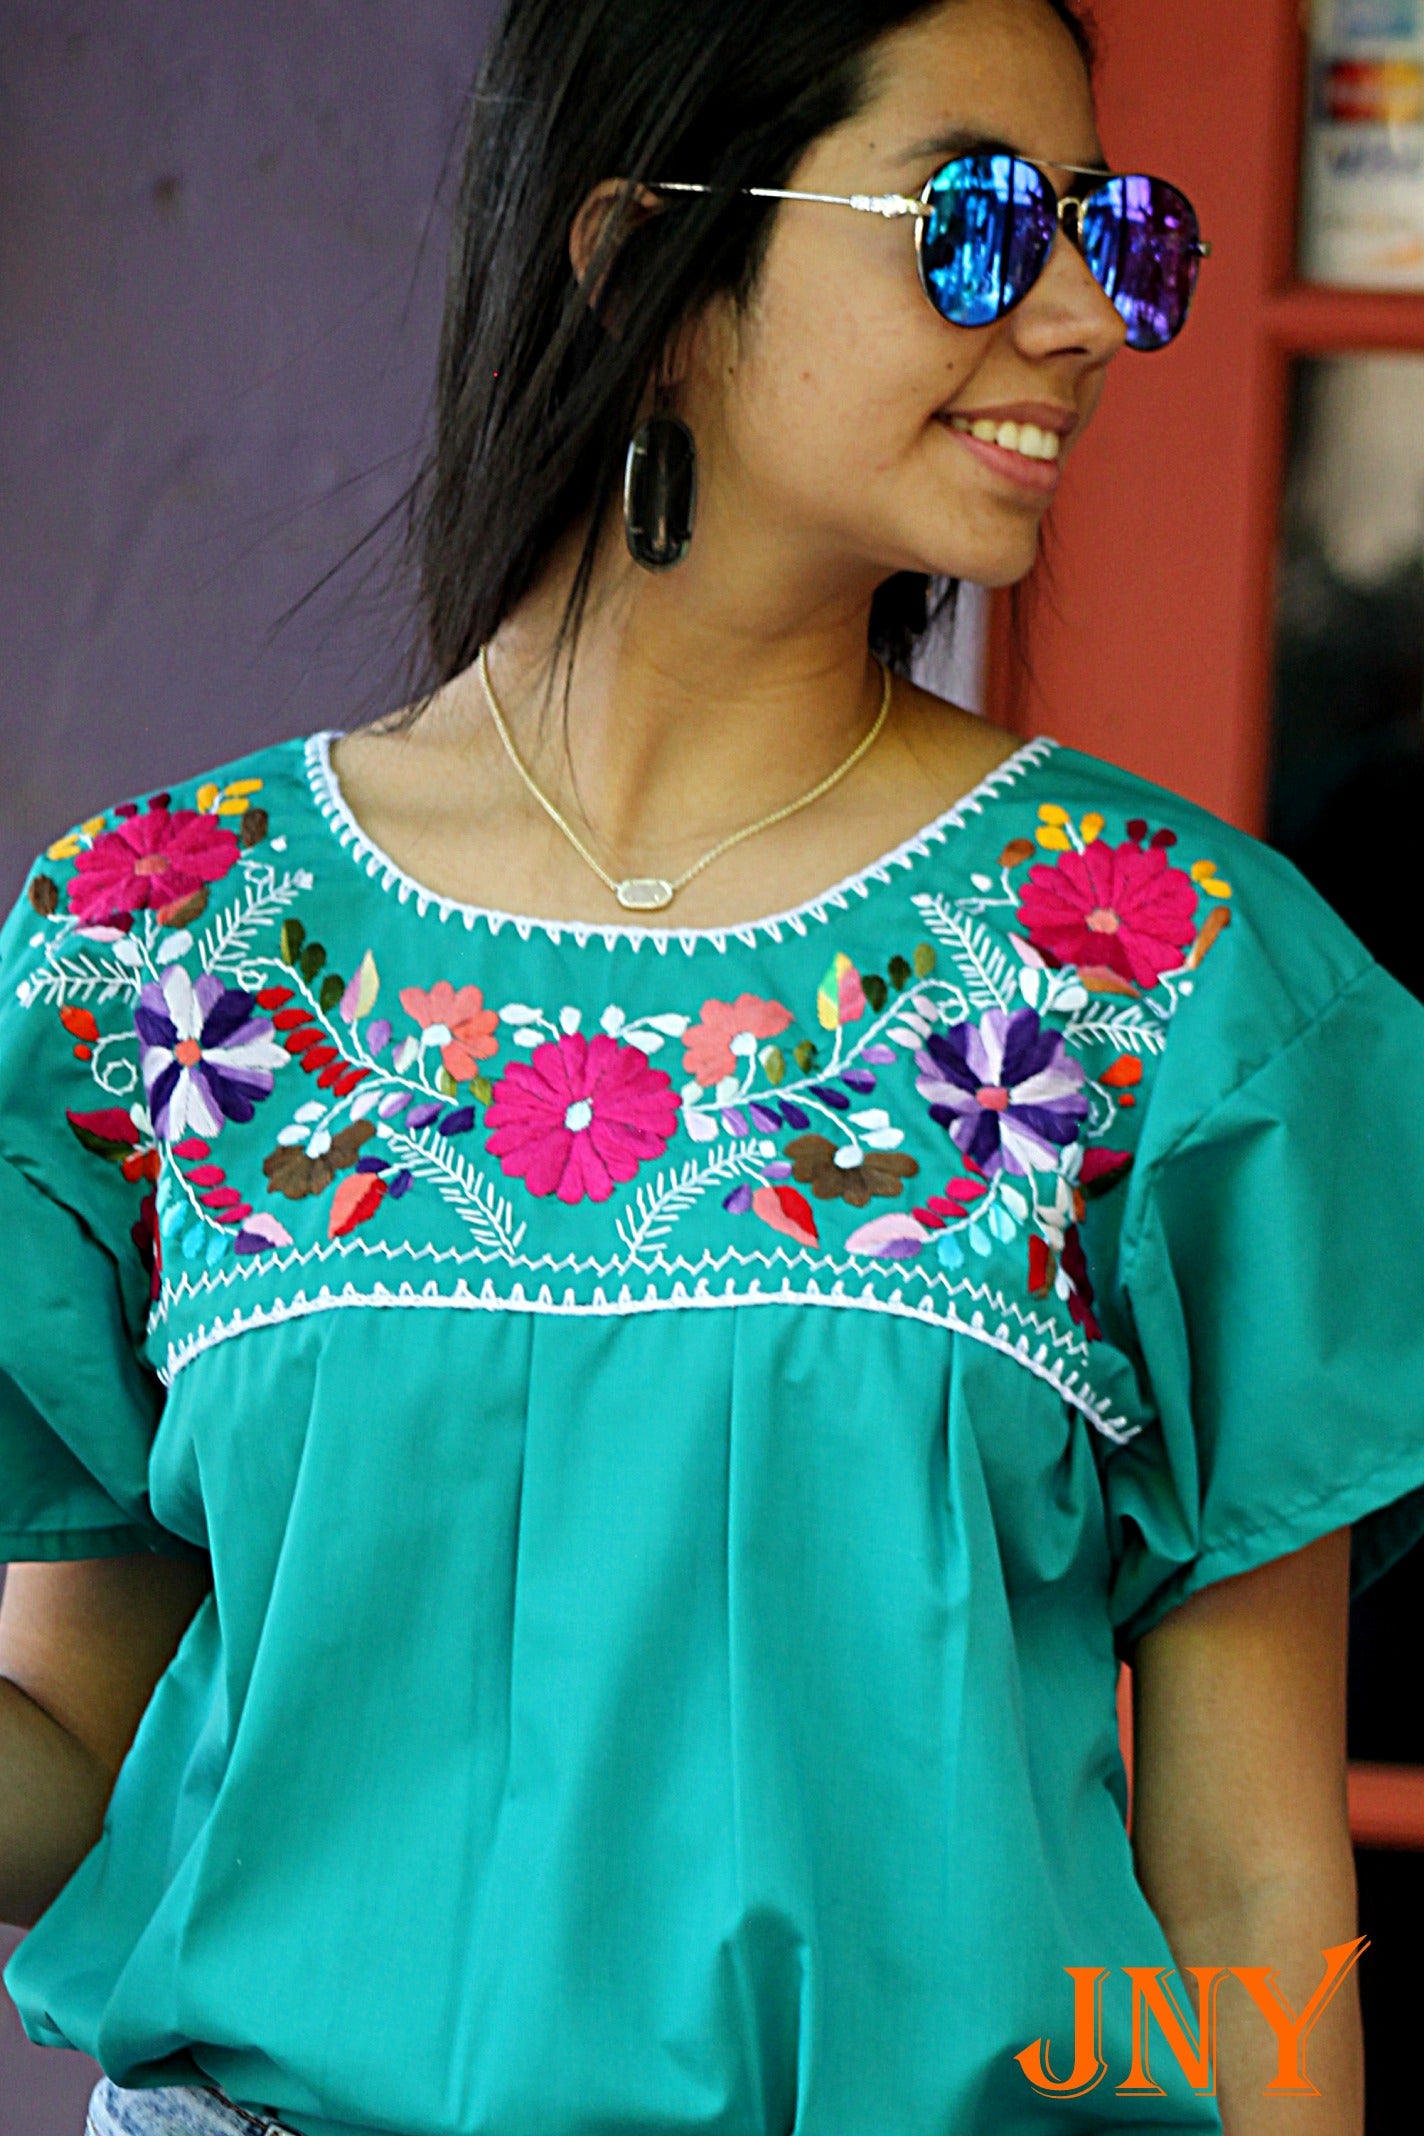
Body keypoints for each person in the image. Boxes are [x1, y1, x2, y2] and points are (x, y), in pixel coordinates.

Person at [1, 2, 1421, 2131]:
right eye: (970, 228)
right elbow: (74, 1753)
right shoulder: (157, 944)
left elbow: (1244, 1895)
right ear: (635, 257)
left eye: (1111, 237)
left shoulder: (1174, 983)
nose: (1076, 319)